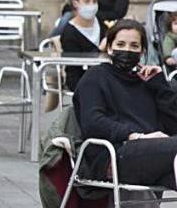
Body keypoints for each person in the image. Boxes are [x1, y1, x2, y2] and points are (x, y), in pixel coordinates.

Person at [74, 19, 177, 191]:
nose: (127, 50)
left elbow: (173, 125)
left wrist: (160, 87)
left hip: (157, 155)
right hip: (115, 154)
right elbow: (92, 122)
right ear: (110, 48)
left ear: (142, 51)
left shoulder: (147, 81)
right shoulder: (95, 77)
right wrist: (135, 136)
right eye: (120, 44)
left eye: (134, 46)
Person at [59, 0, 104, 91]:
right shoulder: (70, 32)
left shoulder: (103, 25)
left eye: (94, 1)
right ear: (76, 3)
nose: (92, 5)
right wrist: (101, 49)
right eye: (87, 1)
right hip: (80, 80)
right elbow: (74, 66)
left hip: (105, 77)